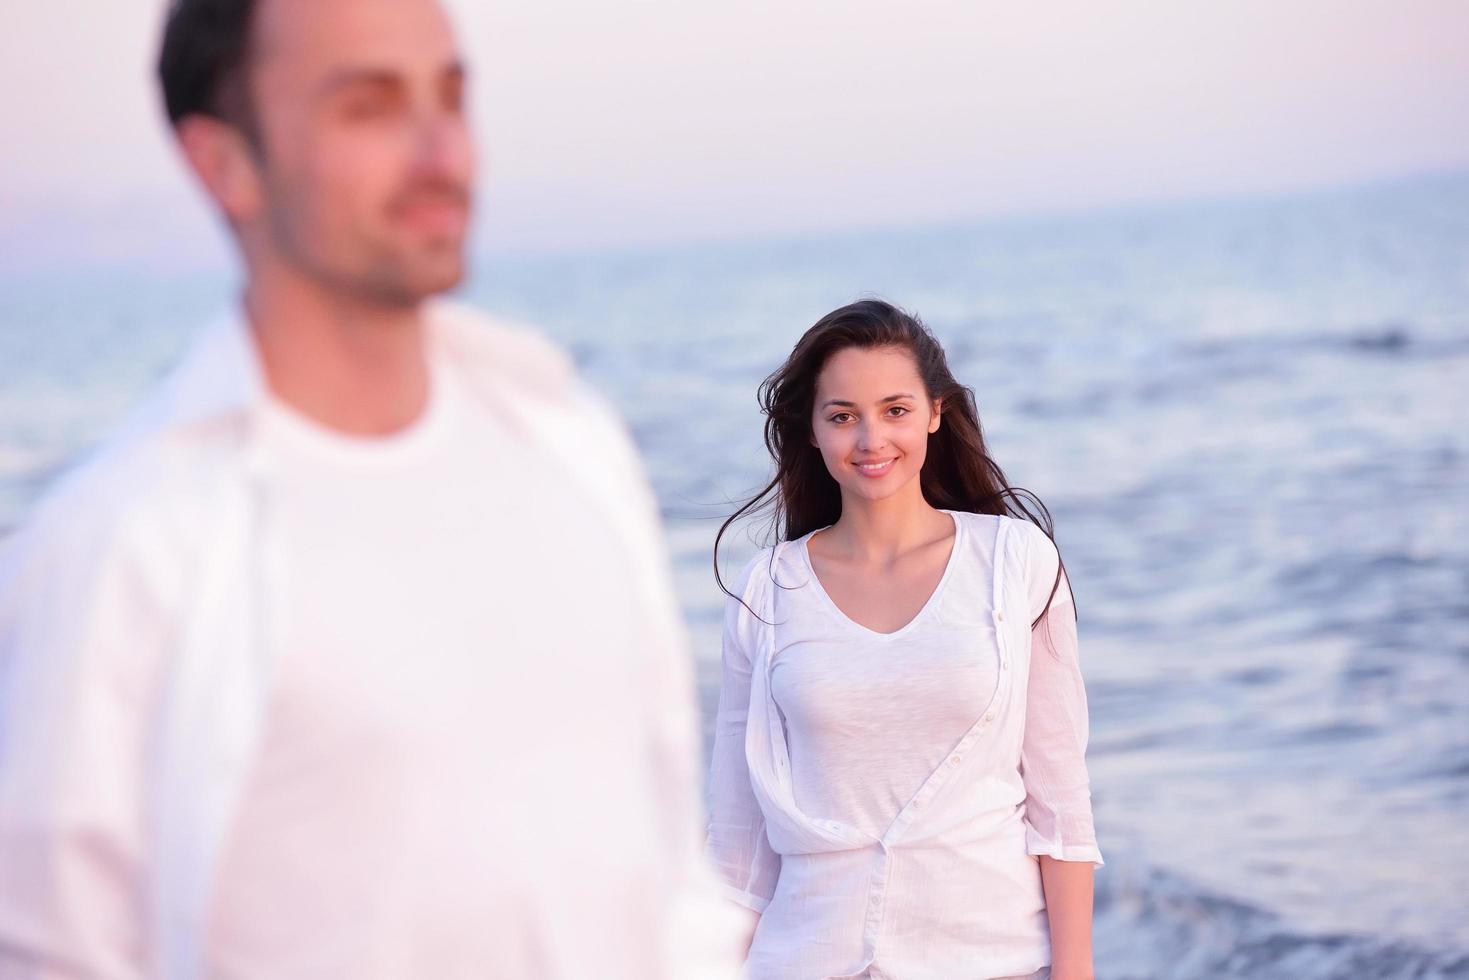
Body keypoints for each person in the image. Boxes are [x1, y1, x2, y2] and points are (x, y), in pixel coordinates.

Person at [0, 0, 738, 976]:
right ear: (224, 164)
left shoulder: (573, 442)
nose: (443, 154)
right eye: (369, 106)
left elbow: (666, 876)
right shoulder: (120, 546)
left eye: (451, 95)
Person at [705, 299, 1103, 980]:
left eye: (894, 410)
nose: (869, 440)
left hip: (993, 959)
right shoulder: (767, 591)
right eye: (841, 416)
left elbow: (1059, 805)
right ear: (811, 431)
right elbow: (735, 844)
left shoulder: (1015, 561)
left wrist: (1075, 972)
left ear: (934, 413)